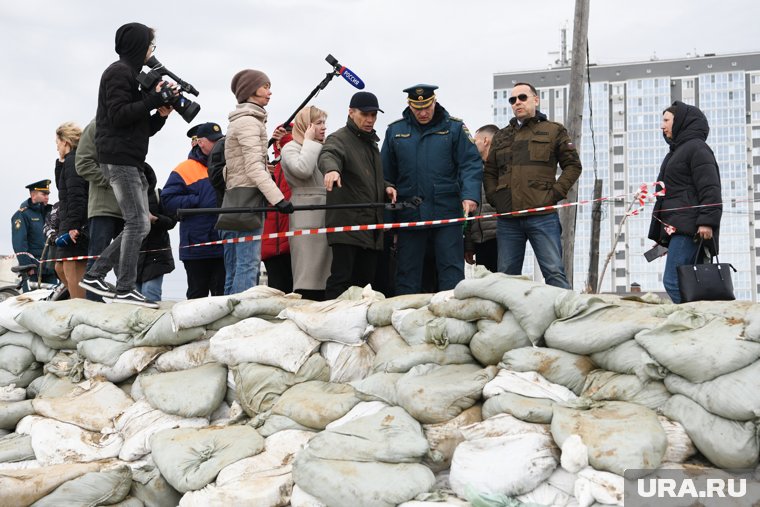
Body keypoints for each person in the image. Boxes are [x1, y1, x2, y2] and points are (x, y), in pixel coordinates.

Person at [78, 22, 175, 308]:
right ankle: (120, 286)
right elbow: (119, 115)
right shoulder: (119, 73)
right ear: (138, 45)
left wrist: (161, 114)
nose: (151, 51)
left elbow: (139, 128)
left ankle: (99, 276)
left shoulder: (130, 75)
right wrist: (153, 99)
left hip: (128, 157)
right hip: (119, 159)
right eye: (149, 45)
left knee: (139, 223)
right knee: (138, 223)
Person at [382, 84, 482, 294]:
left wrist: (470, 195)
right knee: (407, 273)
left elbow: (470, 163)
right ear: (409, 105)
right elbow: (385, 175)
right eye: (417, 108)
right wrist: (389, 196)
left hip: (446, 212)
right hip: (409, 214)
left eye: (427, 106)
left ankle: (452, 319)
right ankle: (406, 319)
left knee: (451, 272)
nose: (423, 112)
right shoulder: (395, 131)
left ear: (434, 101)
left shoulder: (454, 128)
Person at [484, 82, 582, 289]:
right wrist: (494, 197)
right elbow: (490, 171)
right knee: (505, 279)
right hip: (508, 218)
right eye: (513, 100)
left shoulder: (554, 131)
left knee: (554, 272)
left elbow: (573, 166)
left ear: (535, 100)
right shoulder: (501, 136)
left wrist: (553, 194)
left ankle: (567, 319)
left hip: (542, 215)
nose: (517, 103)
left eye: (522, 98)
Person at [221, 69, 293, 295]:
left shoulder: (242, 121)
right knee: (248, 264)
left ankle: (229, 311)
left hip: (236, 196)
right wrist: (279, 200)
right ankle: (241, 314)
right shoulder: (250, 123)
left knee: (235, 265)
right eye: (265, 87)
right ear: (251, 91)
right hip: (248, 197)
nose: (270, 92)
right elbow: (253, 167)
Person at [319, 91, 396, 299]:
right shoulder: (339, 138)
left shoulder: (371, 144)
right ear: (351, 112)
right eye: (365, 114)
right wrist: (331, 170)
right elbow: (328, 154)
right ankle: (329, 321)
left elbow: (369, 179)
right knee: (341, 280)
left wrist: (386, 187)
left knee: (364, 285)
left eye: (374, 115)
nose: (370, 120)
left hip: (370, 228)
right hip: (348, 226)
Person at [648, 101, 722, 303]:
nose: (662, 126)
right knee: (693, 284)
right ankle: (701, 325)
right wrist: (662, 235)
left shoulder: (697, 148)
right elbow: (669, 197)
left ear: (681, 121)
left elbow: (710, 187)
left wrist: (707, 221)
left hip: (691, 228)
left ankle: (693, 323)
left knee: (674, 281)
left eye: (666, 120)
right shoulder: (675, 153)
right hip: (678, 228)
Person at [162, 122, 226, 298]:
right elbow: (167, 201)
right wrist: (197, 200)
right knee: (196, 298)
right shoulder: (184, 169)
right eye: (215, 141)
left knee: (223, 298)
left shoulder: (228, 167)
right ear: (201, 142)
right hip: (196, 248)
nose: (219, 144)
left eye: (220, 139)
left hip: (223, 245)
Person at [281, 106, 332, 300]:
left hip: (327, 211)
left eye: (324, 123)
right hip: (305, 212)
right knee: (308, 274)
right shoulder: (291, 148)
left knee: (327, 275)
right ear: (306, 125)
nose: (323, 127)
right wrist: (310, 142)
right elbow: (302, 169)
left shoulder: (326, 146)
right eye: (319, 123)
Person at [75, 119, 124, 302]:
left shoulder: (131, 125)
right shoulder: (98, 125)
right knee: (97, 257)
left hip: (128, 207)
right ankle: (93, 303)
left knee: (126, 259)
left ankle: (124, 298)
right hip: (103, 207)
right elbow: (83, 163)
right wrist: (112, 181)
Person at [54, 121, 88, 299]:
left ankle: (80, 308)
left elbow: (76, 196)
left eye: (57, 143)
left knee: (73, 271)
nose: (57, 147)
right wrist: (60, 163)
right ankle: (79, 302)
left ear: (65, 142)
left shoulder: (74, 161)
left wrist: (73, 226)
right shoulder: (68, 162)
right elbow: (63, 191)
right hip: (67, 222)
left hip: (74, 225)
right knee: (59, 268)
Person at [135, 163, 175, 302]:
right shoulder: (123, 197)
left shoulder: (160, 195)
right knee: (134, 300)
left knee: (150, 293)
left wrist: (155, 219)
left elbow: (172, 221)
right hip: (133, 258)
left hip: (156, 256)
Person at [261, 129, 294, 294]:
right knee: (278, 290)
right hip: (273, 243)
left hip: (288, 241)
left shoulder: (291, 166)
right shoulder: (269, 168)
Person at [464, 124, 499, 272]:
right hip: (480, 240)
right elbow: (469, 212)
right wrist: (469, 245)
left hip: (499, 237)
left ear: (485, 141)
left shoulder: (502, 168)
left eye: (475, 140)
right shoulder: (473, 171)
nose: (472, 144)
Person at [12, 179, 56, 289]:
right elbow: (19, 243)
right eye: (44, 194)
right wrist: (27, 267)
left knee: (54, 304)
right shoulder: (22, 215)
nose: (47, 197)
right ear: (33, 195)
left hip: (50, 269)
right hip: (33, 270)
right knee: (32, 303)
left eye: (48, 194)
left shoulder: (50, 213)